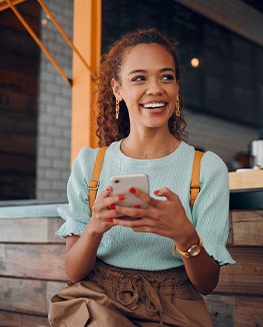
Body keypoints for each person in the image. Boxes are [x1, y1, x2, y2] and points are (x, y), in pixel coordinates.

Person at [48, 27, 235, 327]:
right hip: (100, 301)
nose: (155, 89)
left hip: (176, 307)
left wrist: (185, 236)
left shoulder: (206, 169)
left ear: (176, 88)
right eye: (139, 78)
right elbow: (73, 272)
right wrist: (95, 227)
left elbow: (206, 284)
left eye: (166, 77)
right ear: (117, 89)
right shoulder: (90, 165)